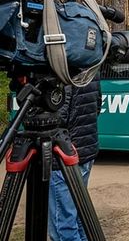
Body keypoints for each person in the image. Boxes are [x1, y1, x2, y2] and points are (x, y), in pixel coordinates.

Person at [48, 76, 101, 241]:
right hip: (85, 147)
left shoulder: (61, 72)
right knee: (80, 215)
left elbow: (56, 118)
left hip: (63, 153)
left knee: (63, 223)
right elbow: (97, 104)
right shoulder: (89, 64)